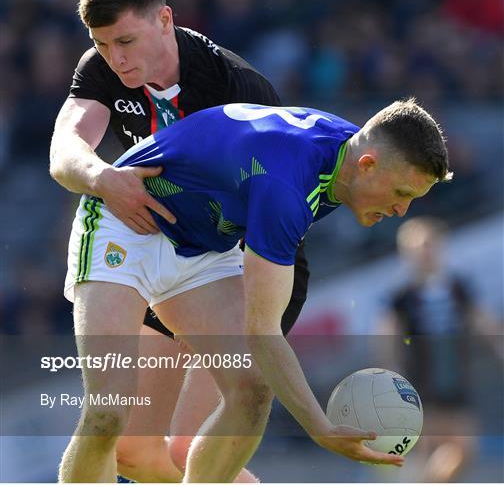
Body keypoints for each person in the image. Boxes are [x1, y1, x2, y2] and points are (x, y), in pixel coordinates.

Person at [57, 97, 452, 482]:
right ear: (368, 166)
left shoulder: (348, 153)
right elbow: (262, 331)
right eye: (401, 195)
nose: (401, 212)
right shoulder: (286, 187)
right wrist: (321, 428)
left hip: (203, 246)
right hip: (126, 221)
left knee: (252, 387)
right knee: (108, 411)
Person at [49, 0, 308, 482]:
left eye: (125, 42)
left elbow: (282, 207)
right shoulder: (101, 69)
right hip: (156, 249)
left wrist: (238, 303)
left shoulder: (235, 88)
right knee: (130, 447)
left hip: (240, 261)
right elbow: (64, 149)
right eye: (101, 45)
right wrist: (104, 179)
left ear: (164, 20)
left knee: (190, 446)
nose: (115, 59)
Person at [379, 217, 495, 482]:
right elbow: (387, 334)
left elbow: (483, 321)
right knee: (428, 451)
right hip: (420, 381)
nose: (426, 253)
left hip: (455, 377)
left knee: (463, 450)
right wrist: (390, 372)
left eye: (430, 245)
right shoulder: (402, 294)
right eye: (419, 247)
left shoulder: (458, 287)